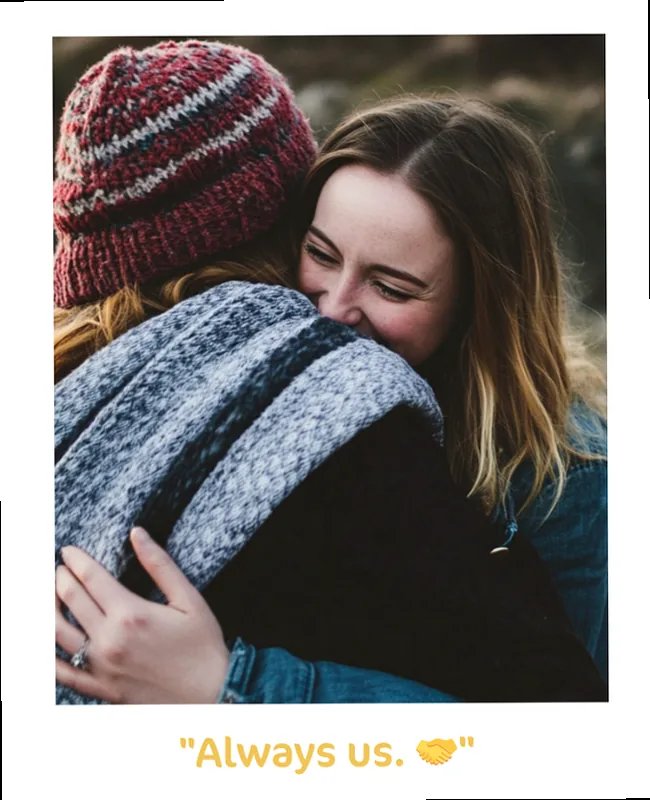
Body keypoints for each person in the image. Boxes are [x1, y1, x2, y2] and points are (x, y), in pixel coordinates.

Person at [54, 40, 605, 705]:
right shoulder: (260, 386)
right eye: (318, 253)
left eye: (392, 288)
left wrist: (229, 684)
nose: (335, 309)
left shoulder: (568, 477)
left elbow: (563, 731)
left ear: (479, 305)